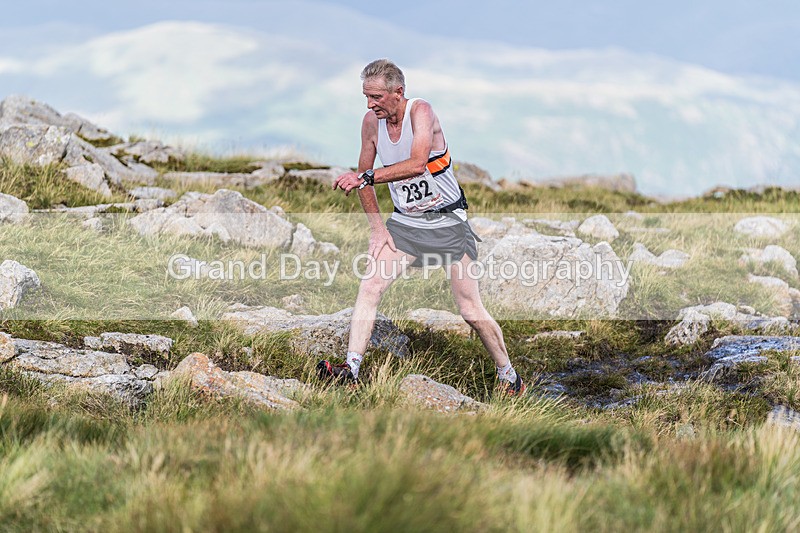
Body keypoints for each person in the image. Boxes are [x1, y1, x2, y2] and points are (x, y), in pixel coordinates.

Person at [317, 59, 525, 396]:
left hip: (448, 223)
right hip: (406, 225)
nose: (370, 104)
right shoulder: (371, 123)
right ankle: (351, 369)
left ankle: (509, 376)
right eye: (366, 97)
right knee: (370, 287)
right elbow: (364, 182)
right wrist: (377, 229)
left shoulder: (421, 112)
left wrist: (366, 177)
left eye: (377, 97)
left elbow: (415, 165)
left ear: (398, 93)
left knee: (470, 309)